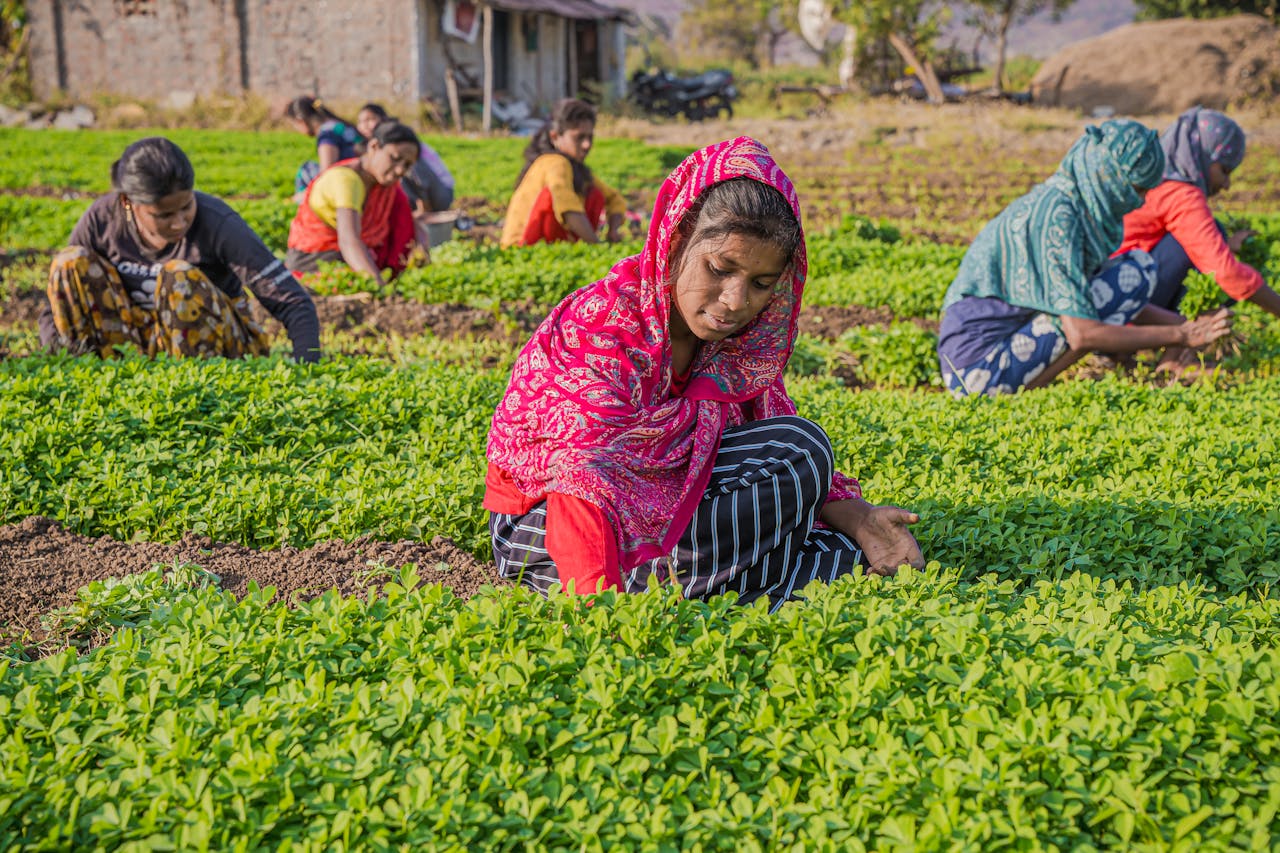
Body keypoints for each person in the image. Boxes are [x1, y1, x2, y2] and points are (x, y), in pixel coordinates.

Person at [485, 137, 925, 610]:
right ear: (677, 240)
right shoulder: (605, 324)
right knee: (812, 520)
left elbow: (775, 452)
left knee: (802, 459)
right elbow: (580, 475)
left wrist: (861, 520)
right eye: (719, 268)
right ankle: (732, 587)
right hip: (554, 529)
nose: (735, 301)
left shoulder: (741, 344)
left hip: (672, 508)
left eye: (760, 284)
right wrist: (598, 613)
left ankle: (719, 586)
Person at [936, 119, 1233, 397]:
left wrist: (1193, 327)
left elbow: (1119, 300)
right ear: (1110, 177)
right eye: (1136, 189)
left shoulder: (1072, 205)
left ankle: (1029, 388)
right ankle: (1021, 395)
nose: (1140, 201)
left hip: (993, 356)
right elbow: (1082, 333)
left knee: (1132, 274)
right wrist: (1181, 335)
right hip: (976, 373)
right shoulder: (1058, 218)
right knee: (1126, 281)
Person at [40, 137, 320, 362]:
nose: (179, 223)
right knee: (69, 262)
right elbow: (59, 299)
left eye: (186, 207)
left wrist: (306, 372)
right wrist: (57, 366)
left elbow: (293, 301)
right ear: (128, 202)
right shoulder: (102, 219)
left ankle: (193, 390)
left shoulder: (217, 221)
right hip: (133, 348)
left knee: (178, 277)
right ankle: (94, 371)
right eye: (163, 215)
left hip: (220, 354)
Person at [1116, 107, 1280, 368]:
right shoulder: (1179, 192)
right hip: (1122, 306)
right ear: (1202, 155)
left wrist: (1227, 247)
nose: (1227, 184)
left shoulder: (1156, 177)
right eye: (1225, 170)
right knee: (1214, 262)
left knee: (1212, 241)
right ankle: (1173, 356)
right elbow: (1226, 273)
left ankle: (1165, 351)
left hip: (1111, 295)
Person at [285, 120, 426, 287]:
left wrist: (423, 246)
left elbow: (410, 224)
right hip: (316, 261)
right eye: (395, 159)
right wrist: (377, 285)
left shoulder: (386, 186)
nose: (400, 170)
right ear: (374, 147)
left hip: (355, 258)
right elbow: (349, 240)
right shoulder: (346, 180)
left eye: (407, 165)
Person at [499, 98, 629, 249]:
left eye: (589, 137)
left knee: (595, 194)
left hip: (547, 248)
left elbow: (613, 198)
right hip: (522, 247)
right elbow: (568, 208)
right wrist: (597, 246)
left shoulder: (574, 167)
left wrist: (612, 231)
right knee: (558, 196)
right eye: (579, 138)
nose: (587, 145)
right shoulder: (555, 162)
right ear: (555, 137)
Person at [356, 103, 456, 216]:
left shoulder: (403, 141)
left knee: (407, 166)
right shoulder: (369, 147)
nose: (365, 125)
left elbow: (417, 171)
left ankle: (424, 208)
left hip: (441, 191)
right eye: (361, 121)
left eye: (370, 119)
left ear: (383, 119)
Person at [285, 96, 364, 200]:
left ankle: (304, 205)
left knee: (306, 169)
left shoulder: (327, 134)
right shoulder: (342, 125)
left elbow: (327, 173)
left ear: (301, 121)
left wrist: (304, 195)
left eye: (294, 125)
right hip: (360, 175)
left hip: (346, 182)